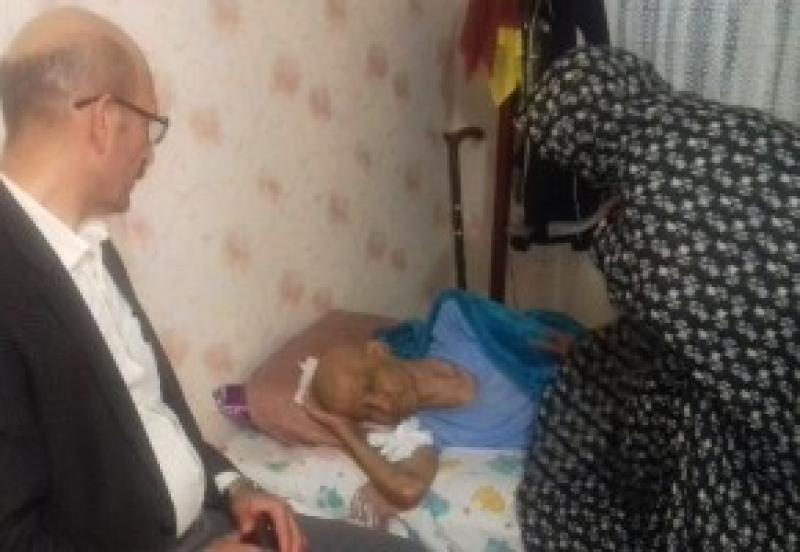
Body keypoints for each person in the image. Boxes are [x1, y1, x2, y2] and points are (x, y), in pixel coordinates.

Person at [0, 7, 422, 551]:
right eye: (149, 126)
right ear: (105, 120)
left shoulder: (92, 248)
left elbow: (156, 418)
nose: (149, 152)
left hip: (209, 519)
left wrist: (234, 486)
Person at [515, 46, 800, 550]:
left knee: (729, 483)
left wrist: (609, 241)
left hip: (758, 376)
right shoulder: (714, 122)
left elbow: (661, 306)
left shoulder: (647, 194)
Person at [305, 290, 584, 523]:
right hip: (582, 433)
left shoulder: (456, 324)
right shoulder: (426, 434)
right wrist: (346, 432)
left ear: (379, 352)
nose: (382, 405)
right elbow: (408, 489)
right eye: (367, 411)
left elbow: (542, 338)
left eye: (371, 386)